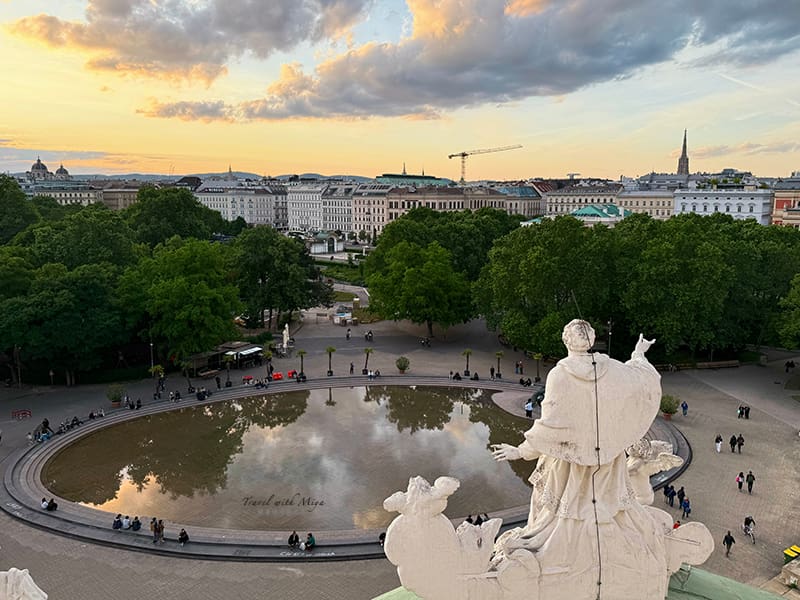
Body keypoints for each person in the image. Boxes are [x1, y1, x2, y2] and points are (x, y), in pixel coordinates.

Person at [491, 322, 668, 598]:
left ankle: (563, 567)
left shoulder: (559, 375)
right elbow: (640, 380)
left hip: (569, 463)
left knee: (562, 517)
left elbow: (550, 427)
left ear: (566, 341)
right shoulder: (611, 369)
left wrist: (521, 451)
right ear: (593, 339)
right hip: (607, 462)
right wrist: (639, 354)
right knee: (605, 515)